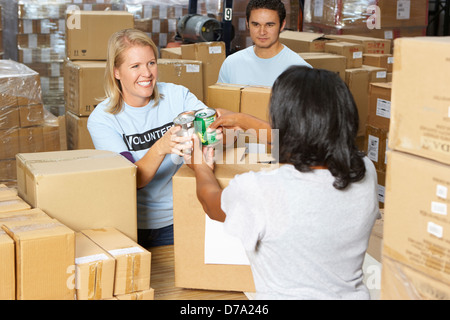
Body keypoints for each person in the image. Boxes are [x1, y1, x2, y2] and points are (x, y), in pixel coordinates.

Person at [185, 66, 379, 299]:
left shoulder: (263, 190)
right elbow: (312, 140)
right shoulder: (365, 169)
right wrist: (243, 121)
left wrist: (200, 166)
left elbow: (210, 202)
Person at [87, 29, 207, 248]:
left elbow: (209, 125)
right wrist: (160, 147)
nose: (147, 73)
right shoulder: (103, 120)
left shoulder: (176, 96)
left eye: (151, 63)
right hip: (131, 227)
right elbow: (131, 180)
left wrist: (213, 131)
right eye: (135, 66)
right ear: (116, 72)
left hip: (182, 217)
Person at [217, 0, 312, 86]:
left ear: (282, 25)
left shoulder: (301, 70)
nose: (262, 32)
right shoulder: (231, 64)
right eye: (256, 24)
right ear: (247, 23)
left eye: (270, 25)